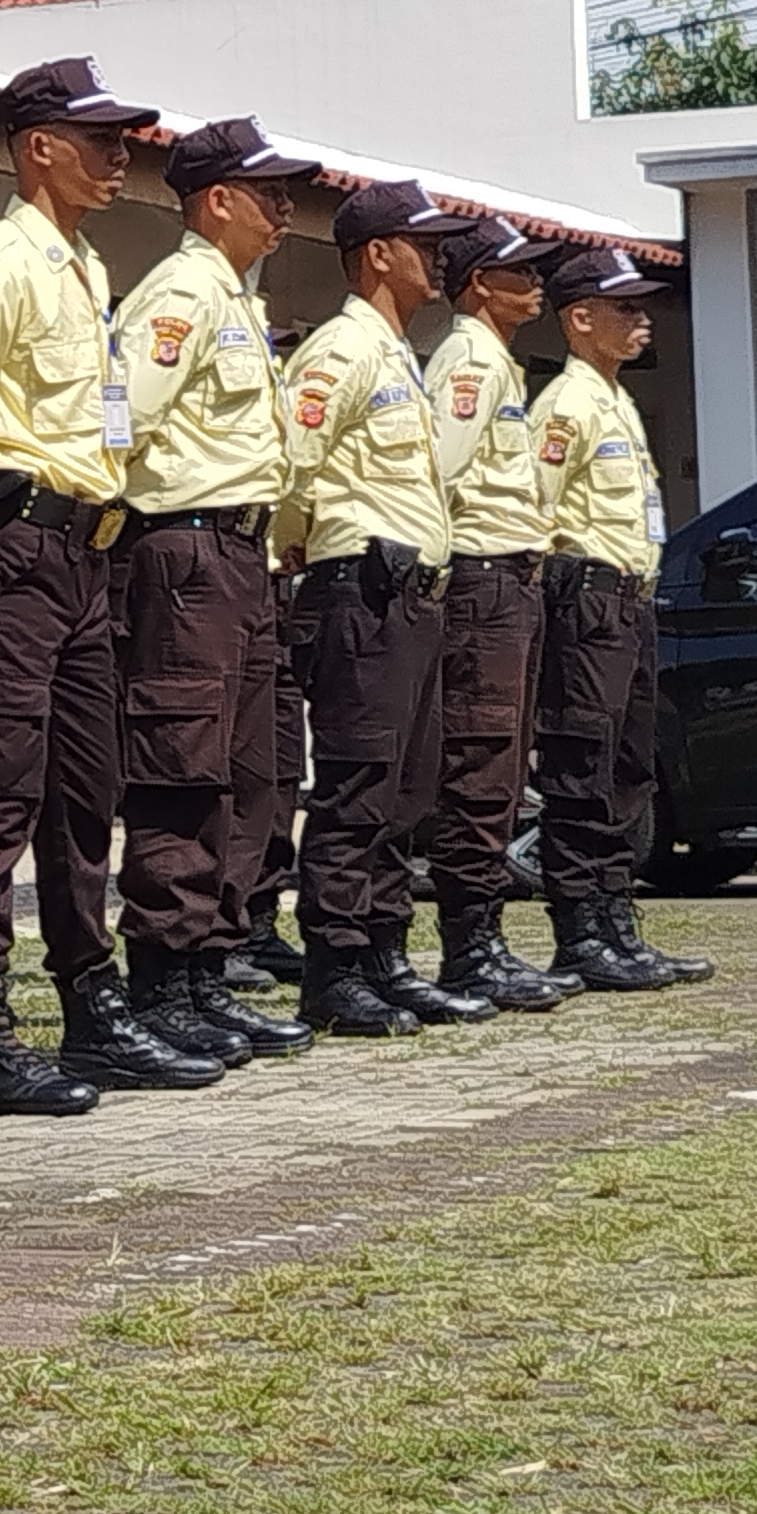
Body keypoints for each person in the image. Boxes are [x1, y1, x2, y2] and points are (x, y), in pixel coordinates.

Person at [0, 57, 222, 1105]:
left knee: (85, 793)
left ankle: (90, 1006)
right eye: (98, 141)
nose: (118, 158)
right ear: (38, 148)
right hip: (13, 542)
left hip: (83, 550)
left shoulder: (82, 268)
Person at [106, 118, 322, 1067]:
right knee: (181, 769)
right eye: (266, 193)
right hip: (185, 548)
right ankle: (160, 980)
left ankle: (206, 970)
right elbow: (123, 423)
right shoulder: (180, 294)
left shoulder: (235, 298)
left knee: (244, 773)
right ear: (216, 200)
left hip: (239, 555)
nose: (283, 209)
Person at [273, 178, 479, 1038]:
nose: (438, 258)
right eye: (422, 244)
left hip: (413, 596)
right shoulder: (342, 348)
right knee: (357, 783)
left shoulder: (399, 354)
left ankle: (385, 954)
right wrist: (297, 545)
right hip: (362, 588)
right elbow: (294, 458)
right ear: (377, 255)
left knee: (407, 789)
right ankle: (335, 966)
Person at [530, 249, 702, 993]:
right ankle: (579, 930)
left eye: (641, 306)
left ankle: (615, 920)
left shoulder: (617, 401)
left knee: (630, 767)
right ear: (579, 318)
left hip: (632, 599)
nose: (641, 319)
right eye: (624, 307)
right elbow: (532, 511)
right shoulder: (565, 405)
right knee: (584, 766)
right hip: (588, 599)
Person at [419, 218, 572, 1013]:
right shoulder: (470, 361)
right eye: (521, 272)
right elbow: (439, 471)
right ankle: (469, 948)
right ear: (479, 282)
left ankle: (486, 940)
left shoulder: (497, 361)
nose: (537, 285)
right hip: (480, 577)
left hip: (511, 580)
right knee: (479, 764)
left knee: (504, 768)